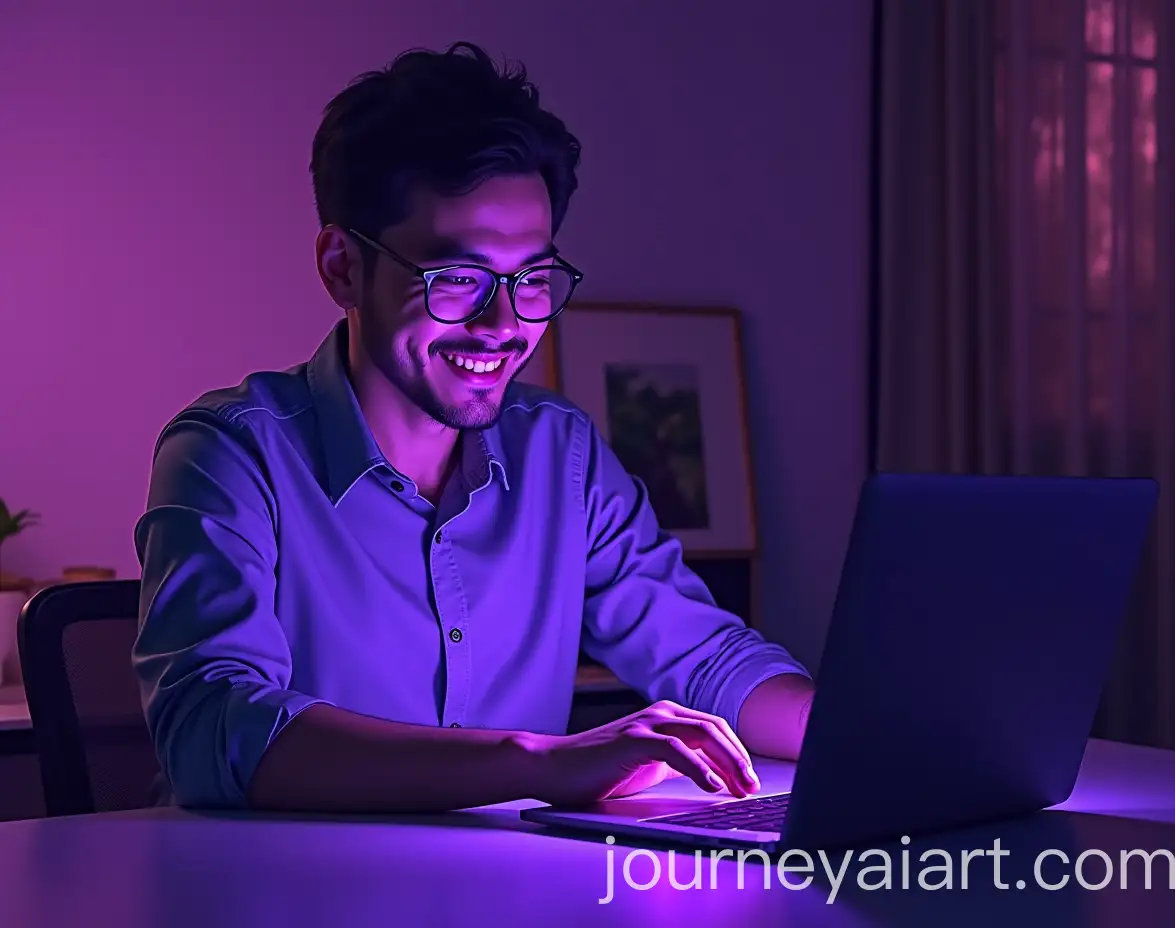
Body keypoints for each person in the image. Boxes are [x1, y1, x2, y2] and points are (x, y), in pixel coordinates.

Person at [133, 42, 814, 814]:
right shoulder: (229, 452)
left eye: (531, 279)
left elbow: (706, 654)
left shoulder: (561, 453)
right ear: (341, 268)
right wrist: (534, 763)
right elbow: (216, 729)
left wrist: (874, 737)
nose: (504, 324)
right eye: (457, 279)